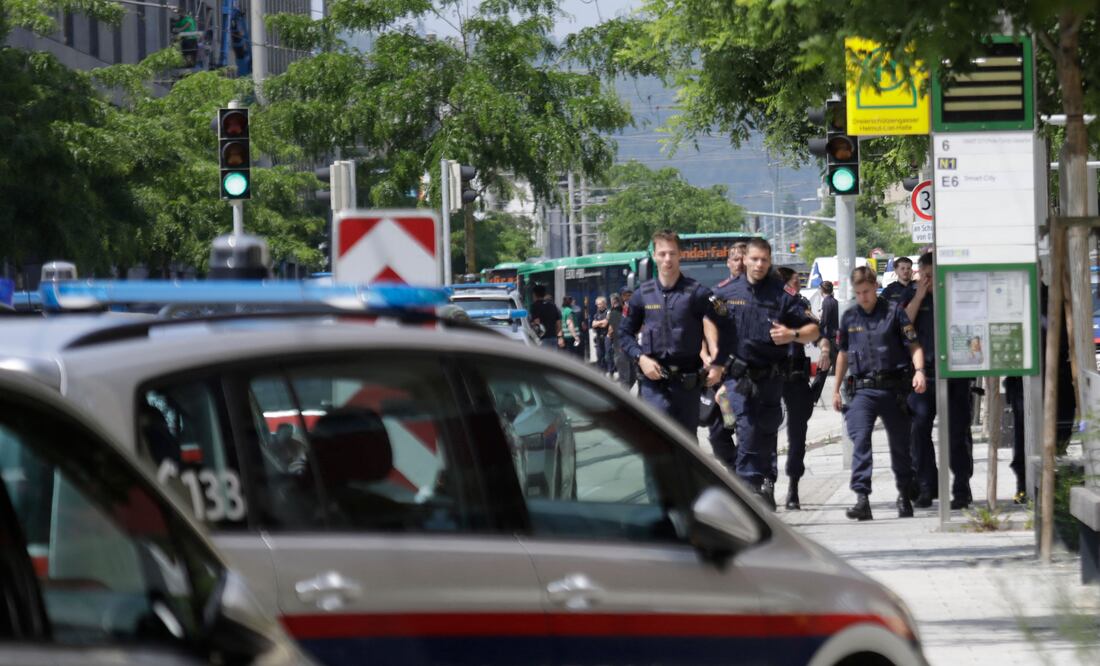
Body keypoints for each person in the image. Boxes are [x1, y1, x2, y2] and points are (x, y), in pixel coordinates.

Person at [711, 238, 819, 510]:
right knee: (741, 427)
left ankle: (762, 484)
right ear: (744, 259)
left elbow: (814, 330)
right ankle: (747, 488)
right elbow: (704, 320)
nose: (759, 265)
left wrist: (792, 334)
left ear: (770, 262)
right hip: (737, 379)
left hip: (771, 378)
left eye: (764, 260)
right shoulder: (725, 291)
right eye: (754, 259)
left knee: (765, 431)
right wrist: (712, 360)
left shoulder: (781, 294)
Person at [834, 266, 926, 521]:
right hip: (862, 389)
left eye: (866, 291)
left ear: (875, 286)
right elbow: (842, 354)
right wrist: (835, 389)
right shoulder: (850, 317)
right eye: (858, 292)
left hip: (893, 389)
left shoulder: (894, 312)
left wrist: (919, 371)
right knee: (860, 439)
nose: (863, 296)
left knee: (900, 446)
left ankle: (904, 494)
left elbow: (914, 345)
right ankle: (862, 498)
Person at [619, 230, 728, 432]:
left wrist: (718, 363)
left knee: (686, 445)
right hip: (654, 384)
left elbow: (726, 325)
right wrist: (640, 358)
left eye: (672, 253)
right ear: (654, 256)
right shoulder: (641, 295)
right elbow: (624, 334)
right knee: (657, 441)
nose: (667, 259)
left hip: (688, 385)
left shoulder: (698, 293)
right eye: (662, 254)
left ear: (680, 255)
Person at [903, 252, 974, 510]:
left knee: (956, 433)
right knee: (919, 431)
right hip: (924, 374)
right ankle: (926, 486)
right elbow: (903, 324)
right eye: (926, 276)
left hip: (956, 373)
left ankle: (961, 488)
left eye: (934, 276)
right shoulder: (912, 296)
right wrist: (920, 296)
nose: (929, 281)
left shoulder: (954, 293)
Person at [775, 267, 821, 510]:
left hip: (794, 375)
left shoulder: (796, 303)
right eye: (794, 281)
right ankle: (767, 484)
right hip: (771, 375)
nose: (797, 285)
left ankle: (793, 486)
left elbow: (815, 328)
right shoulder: (765, 301)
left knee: (797, 435)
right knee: (765, 433)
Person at [703, 244, 747, 473]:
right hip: (721, 373)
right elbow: (702, 328)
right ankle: (736, 471)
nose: (738, 263)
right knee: (718, 435)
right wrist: (705, 357)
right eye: (734, 259)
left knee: (747, 432)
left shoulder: (757, 294)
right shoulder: (718, 294)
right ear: (728, 263)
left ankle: (751, 481)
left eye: (742, 259)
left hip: (746, 376)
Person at [613, 287, 637, 390]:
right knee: (625, 379)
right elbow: (612, 331)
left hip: (631, 346)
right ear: (621, 297)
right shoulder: (616, 311)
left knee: (633, 377)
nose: (628, 297)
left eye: (630, 294)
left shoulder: (634, 309)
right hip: (620, 348)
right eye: (625, 295)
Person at [528, 285, 563, 350]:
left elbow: (537, 322)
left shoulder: (534, 306)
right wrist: (558, 336)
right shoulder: (553, 306)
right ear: (544, 294)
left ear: (534, 294)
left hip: (542, 340)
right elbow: (558, 324)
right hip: (553, 338)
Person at [590, 296, 611, 371]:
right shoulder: (597, 314)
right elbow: (593, 324)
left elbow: (605, 324)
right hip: (599, 337)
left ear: (604, 304)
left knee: (608, 355)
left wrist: (598, 323)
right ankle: (601, 371)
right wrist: (600, 323)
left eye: (599, 304)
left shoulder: (608, 312)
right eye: (597, 304)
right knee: (599, 355)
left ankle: (610, 372)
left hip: (607, 336)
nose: (597, 306)